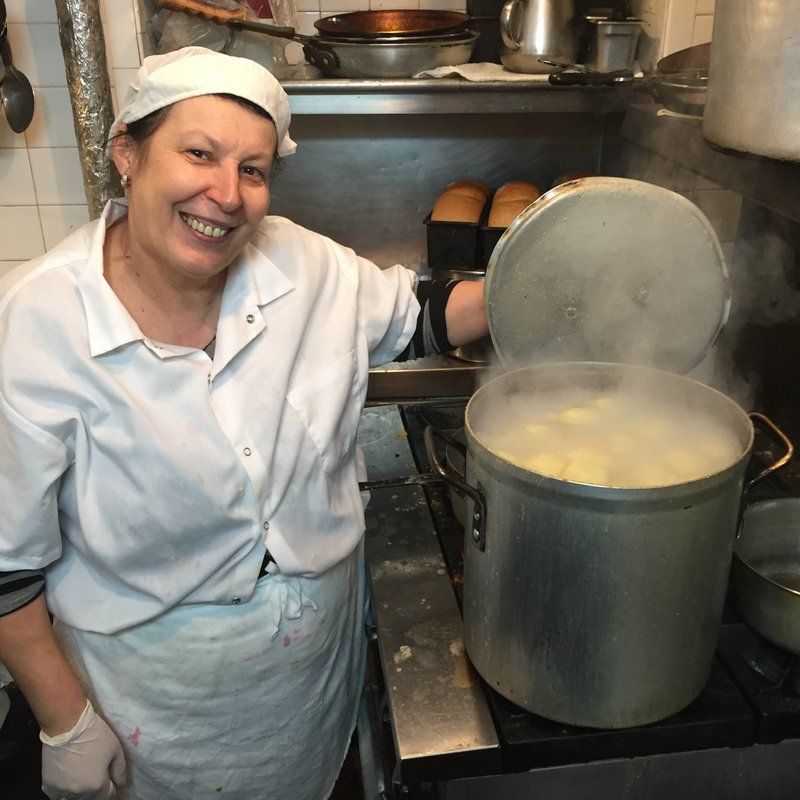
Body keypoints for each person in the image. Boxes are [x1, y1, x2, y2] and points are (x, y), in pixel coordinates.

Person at [0, 47, 487, 799]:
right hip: (156, 709)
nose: (226, 194)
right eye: (199, 154)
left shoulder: (302, 263)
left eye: (252, 170)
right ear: (127, 154)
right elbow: (8, 567)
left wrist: (545, 274)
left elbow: (420, 318)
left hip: (305, 686)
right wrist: (66, 723)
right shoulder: (40, 324)